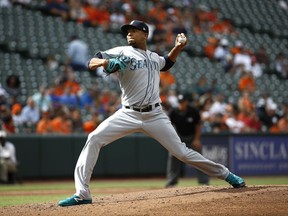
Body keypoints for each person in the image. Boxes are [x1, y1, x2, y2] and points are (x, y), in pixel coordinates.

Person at [58, 20, 245, 207]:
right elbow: (91, 62)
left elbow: (167, 63)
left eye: (134, 30)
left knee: (182, 153)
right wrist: (105, 61)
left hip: (155, 115)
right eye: (127, 31)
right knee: (94, 138)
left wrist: (178, 47)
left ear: (145, 34)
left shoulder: (154, 57)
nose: (129, 33)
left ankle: (227, 175)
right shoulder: (122, 51)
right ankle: (82, 193)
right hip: (128, 114)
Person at [165, 94, 209, 187]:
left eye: (183, 102)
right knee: (173, 157)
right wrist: (173, 141)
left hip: (192, 137)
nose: (181, 104)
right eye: (180, 102)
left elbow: (199, 125)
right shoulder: (173, 111)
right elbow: (168, 125)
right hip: (179, 138)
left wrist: (197, 139)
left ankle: (204, 181)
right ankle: (171, 182)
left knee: (199, 158)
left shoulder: (193, 111)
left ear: (186, 102)